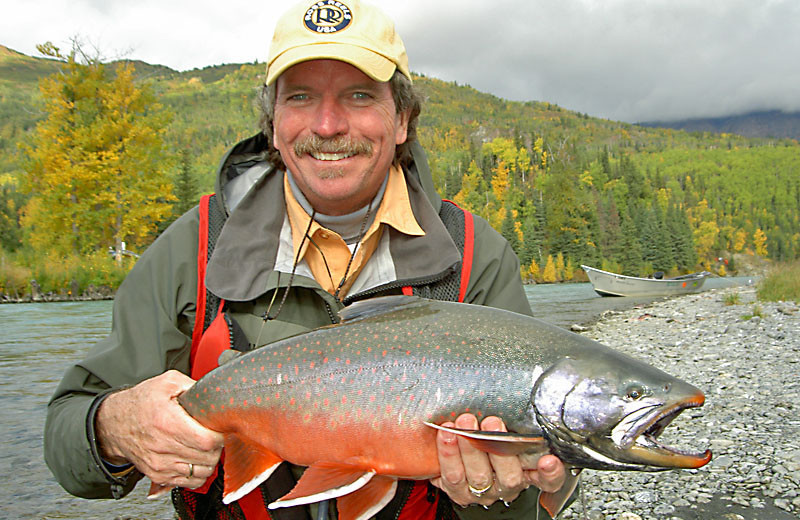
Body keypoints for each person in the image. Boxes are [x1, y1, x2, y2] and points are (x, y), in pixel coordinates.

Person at [44, 1, 568, 518]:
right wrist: (115, 428)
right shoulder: (194, 248)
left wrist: (495, 498)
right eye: (300, 98)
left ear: (402, 117)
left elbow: (530, 500)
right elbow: (67, 439)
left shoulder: (476, 258)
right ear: (274, 124)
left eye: (359, 96)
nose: (327, 124)